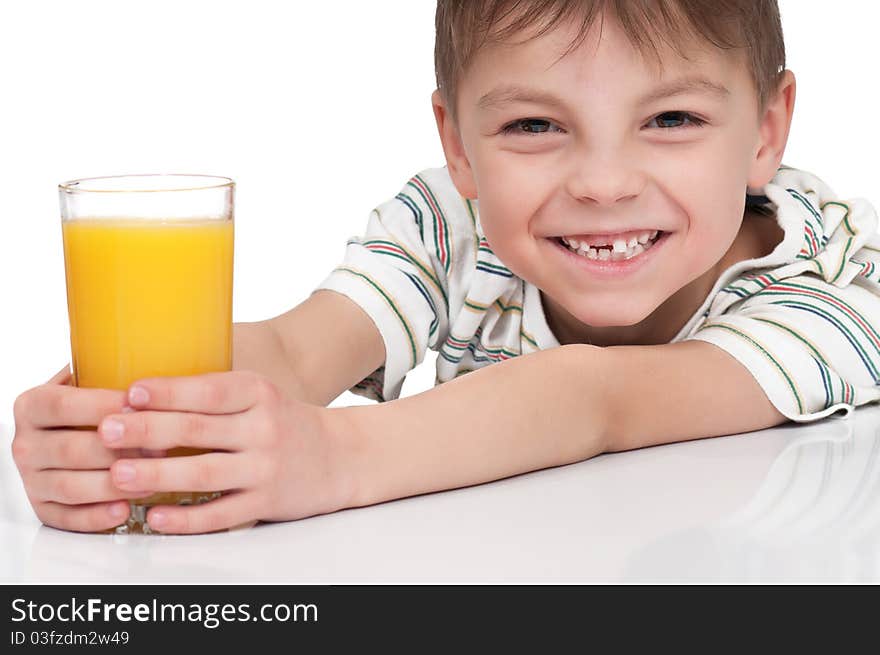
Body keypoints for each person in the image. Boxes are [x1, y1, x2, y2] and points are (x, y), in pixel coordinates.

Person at [12, 0, 880, 534]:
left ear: (766, 132)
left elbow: (600, 398)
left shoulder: (838, 291)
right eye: (535, 127)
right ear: (458, 145)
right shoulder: (451, 224)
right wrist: (130, 422)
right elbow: (295, 351)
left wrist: (333, 458)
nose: (605, 184)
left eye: (673, 119)